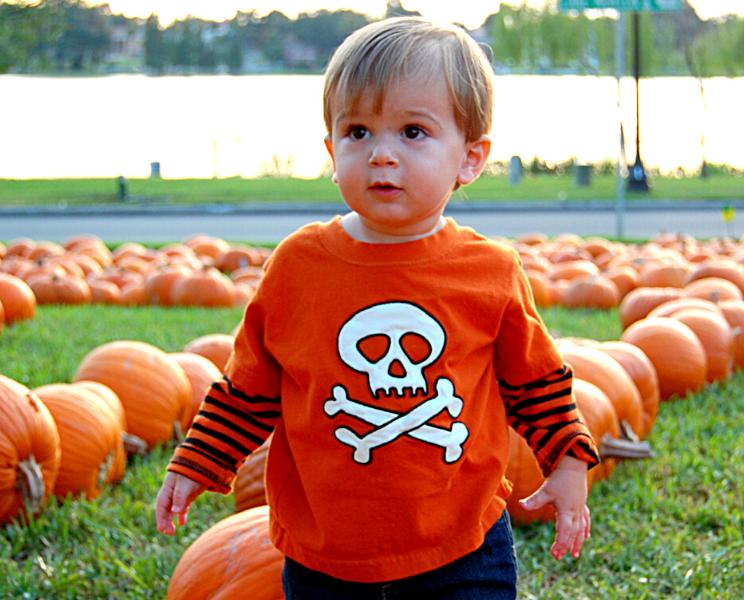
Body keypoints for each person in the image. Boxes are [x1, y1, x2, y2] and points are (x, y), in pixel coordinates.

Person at [154, 16, 600, 598]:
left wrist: (567, 459)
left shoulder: (489, 271)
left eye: (413, 132)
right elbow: (248, 387)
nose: (381, 155)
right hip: (325, 557)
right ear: (331, 149)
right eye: (358, 131)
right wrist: (198, 461)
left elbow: (535, 382)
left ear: (470, 157)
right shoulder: (298, 266)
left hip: (462, 546)